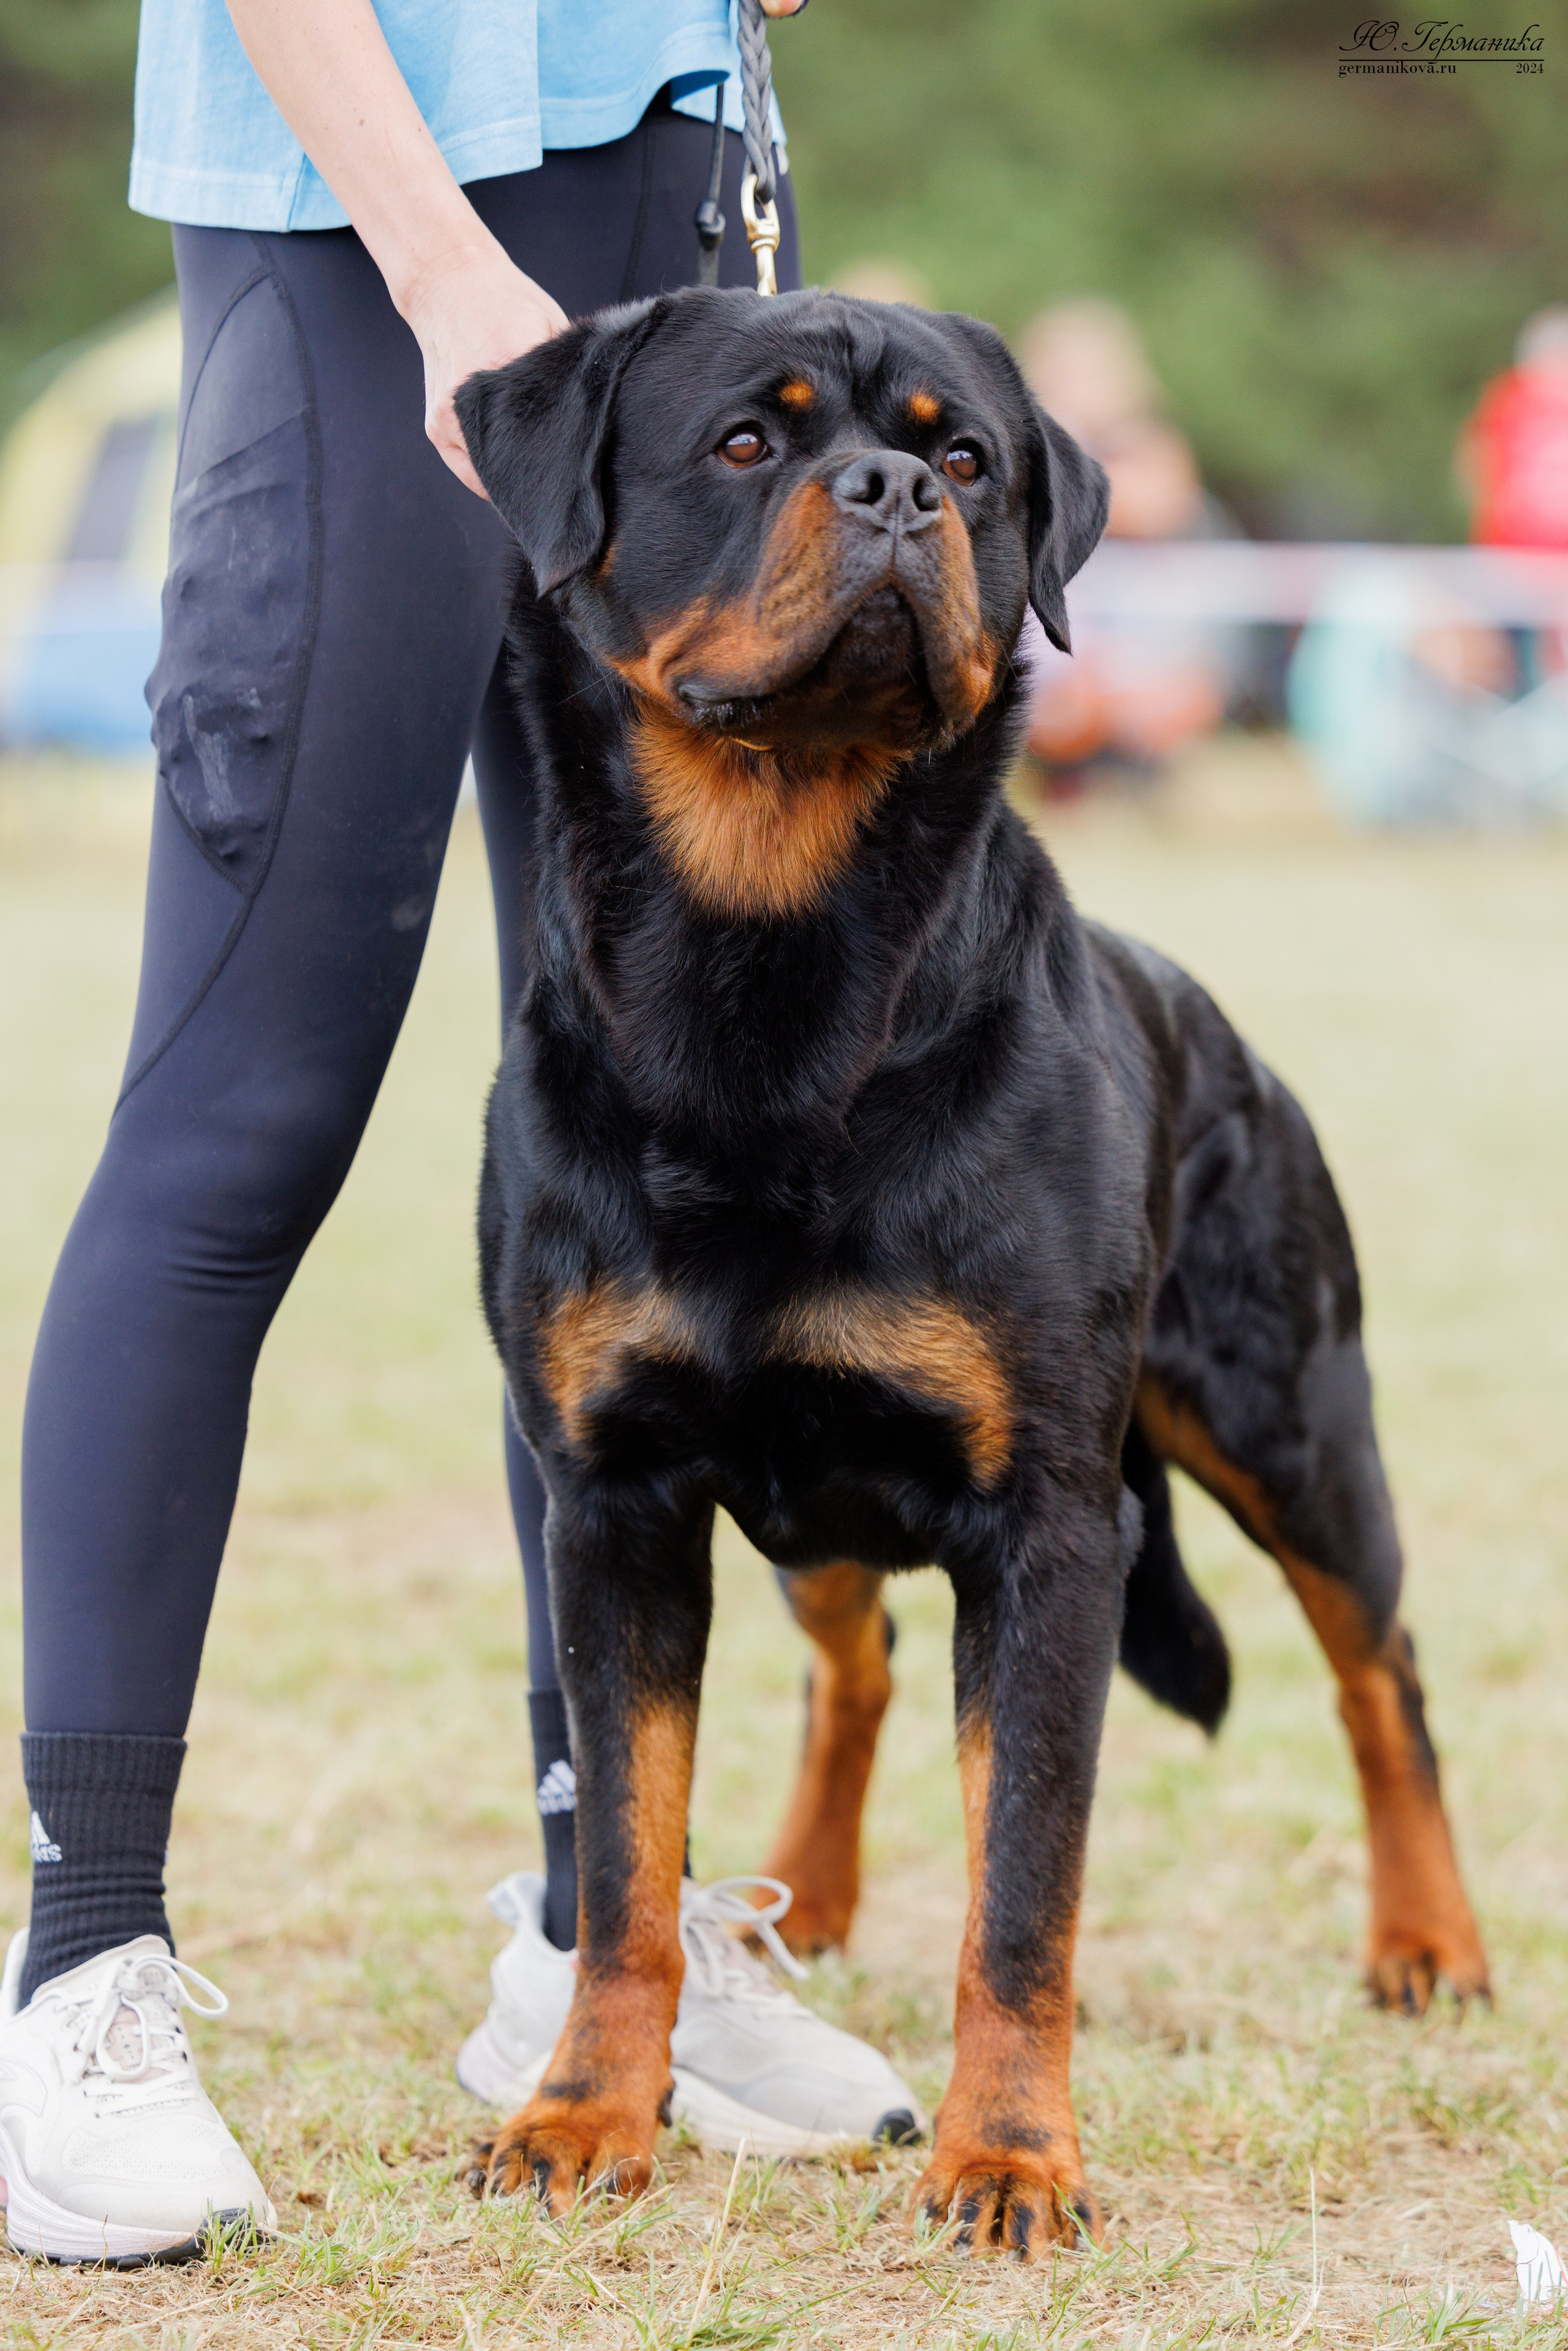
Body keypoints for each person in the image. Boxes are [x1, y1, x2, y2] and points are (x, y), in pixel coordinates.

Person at [1, 0, 916, 2268]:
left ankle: (602, 1925)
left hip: (673, 184)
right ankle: (79, 1968)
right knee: (248, 1111)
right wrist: (437, 268)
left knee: (652, 1129)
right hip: (367, 225)